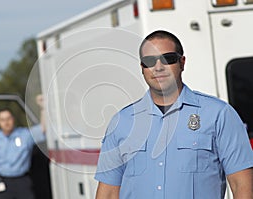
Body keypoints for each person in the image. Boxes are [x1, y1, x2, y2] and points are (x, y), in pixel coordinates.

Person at [94, 30, 253, 199]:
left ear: (182, 62)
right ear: (142, 68)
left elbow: (242, 185)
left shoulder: (219, 114)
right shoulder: (121, 123)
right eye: (149, 61)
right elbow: (109, 193)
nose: (158, 67)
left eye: (167, 58)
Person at [0, 96, 46, 199]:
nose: (6, 122)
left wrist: (43, 108)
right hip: (3, 182)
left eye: (8, 119)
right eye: (2, 120)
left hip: (22, 181)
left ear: (13, 119)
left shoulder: (25, 135)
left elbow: (43, 129)